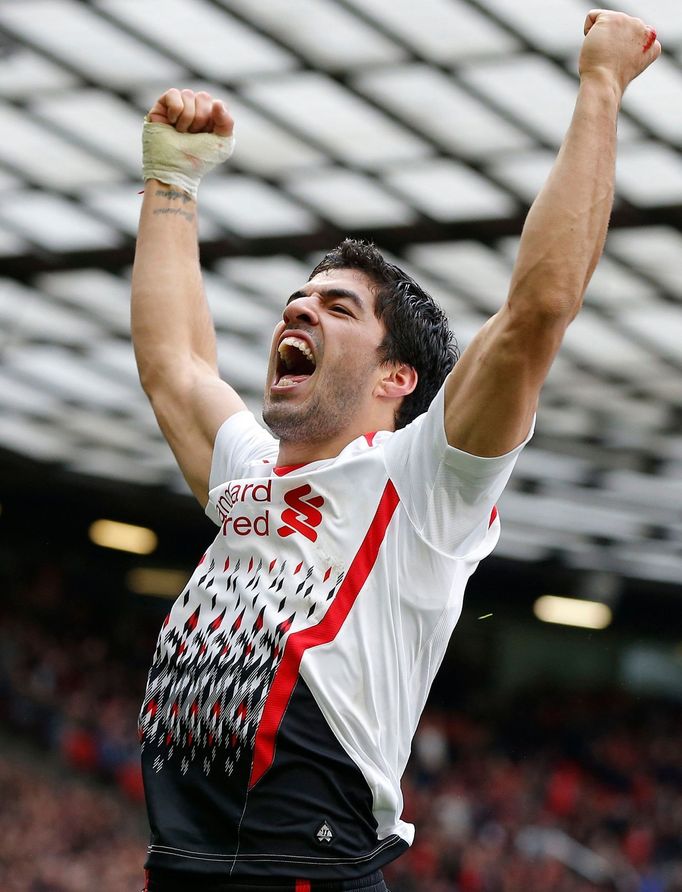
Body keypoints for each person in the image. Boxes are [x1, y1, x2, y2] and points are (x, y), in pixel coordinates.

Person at [131, 10, 660, 891]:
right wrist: (171, 181)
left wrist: (600, 87)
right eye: (298, 299)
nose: (298, 310)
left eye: (339, 308)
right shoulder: (251, 477)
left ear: (397, 380)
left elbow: (536, 315)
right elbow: (174, 364)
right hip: (184, 865)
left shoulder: (422, 483)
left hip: (305, 869)